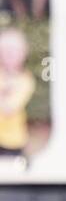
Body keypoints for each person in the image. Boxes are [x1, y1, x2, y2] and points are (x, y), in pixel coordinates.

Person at [0, 26, 33, 156]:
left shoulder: (25, 80)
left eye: (14, 51)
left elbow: (9, 108)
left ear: (23, 53)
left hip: (12, 143)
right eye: (5, 51)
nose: (9, 55)